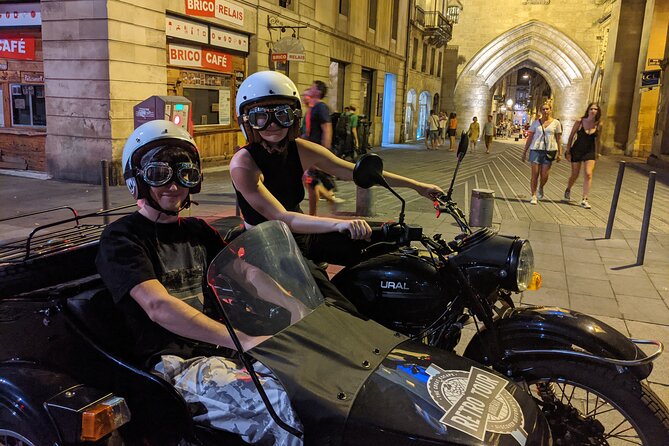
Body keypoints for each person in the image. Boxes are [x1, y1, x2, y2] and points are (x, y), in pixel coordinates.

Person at [95, 120, 302, 445]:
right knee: (274, 402)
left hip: (217, 350)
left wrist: (295, 306)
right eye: (159, 174)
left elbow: (247, 273)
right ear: (137, 180)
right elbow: (158, 306)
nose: (174, 186)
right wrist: (243, 341)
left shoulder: (197, 231)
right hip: (171, 362)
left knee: (306, 382)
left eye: (184, 174)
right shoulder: (122, 239)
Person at [230, 70, 443, 268]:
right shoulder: (243, 164)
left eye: (282, 114)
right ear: (247, 120)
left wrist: (418, 186)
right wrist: (339, 224)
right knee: (332, 305)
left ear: (293, 116)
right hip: (267, 247)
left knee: (389, 241)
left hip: (302, 236)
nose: (273, 124)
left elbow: (354, 171)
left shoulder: (300, 149)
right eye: (261, 117)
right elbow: (284, 217)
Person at [304, 80, 338, 215]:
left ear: (318, 92)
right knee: (309, 181)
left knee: (310, 181)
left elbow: (327, 129)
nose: (309, 90)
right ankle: (328, 198)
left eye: (312, 88)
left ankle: (312, 215)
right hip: (310, 150)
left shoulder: (321, 107)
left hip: (316, 151)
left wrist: (324, 151)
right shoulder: (313, 107)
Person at [521, 103, 563, 205]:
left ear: (550, 110)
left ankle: (541, 187)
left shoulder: (556, 123)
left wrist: (560, 153)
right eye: (543, 109)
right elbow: (530, 138)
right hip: (535, 149)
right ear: (541, 111)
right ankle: (533, 195)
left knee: (544, 175)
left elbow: (558, 138)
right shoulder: (536, 123)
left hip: (549, 150)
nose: (545, 111)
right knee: (534, 174)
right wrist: (524, 152)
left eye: (547, 109)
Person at [564, 102, 601, 209]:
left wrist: (597, 152)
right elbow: (571, 136)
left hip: (590, 151)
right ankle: (568, 188)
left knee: (588, 174)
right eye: (591, 109)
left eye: (596, 109)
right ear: (588, 110)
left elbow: (598, 140)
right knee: (575, 174)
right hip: (577, 150)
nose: (593, 111)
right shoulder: (580, 122)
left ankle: (584, 199)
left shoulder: (599, 124)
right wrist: (568, 151)